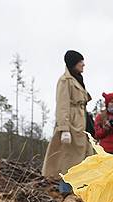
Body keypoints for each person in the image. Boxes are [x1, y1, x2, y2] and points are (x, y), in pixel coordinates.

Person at [42, 50, 92, 193]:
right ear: (73, 63)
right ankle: (65, 193)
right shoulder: (65, 81)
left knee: (82, 161)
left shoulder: (77, 79)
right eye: (80, 61)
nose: (83, 64)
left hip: (81, 122)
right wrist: (64, 129)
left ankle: (78, 193)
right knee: (68, 162)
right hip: (72, 124)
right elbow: (62, 105)